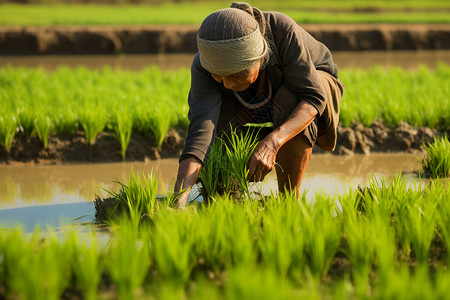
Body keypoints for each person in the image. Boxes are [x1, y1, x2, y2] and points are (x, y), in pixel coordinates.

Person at [174, 2, 344, 208]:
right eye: (219, 77)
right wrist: (178, 202)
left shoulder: (283, 32)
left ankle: (289, 202)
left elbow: (314, 97)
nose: (228, 84)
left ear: (260, 57)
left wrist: (272, 142)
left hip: (313, 88)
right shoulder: (206, 63)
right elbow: (200, 132)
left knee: (289, 98)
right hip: (258, 98)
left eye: (237, 74)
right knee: (217, 117)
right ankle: (228, 196)